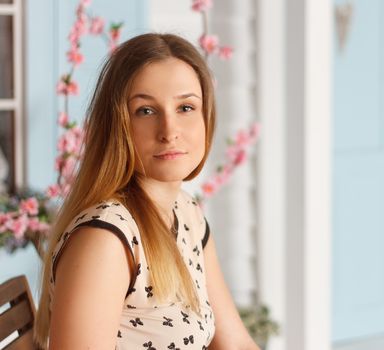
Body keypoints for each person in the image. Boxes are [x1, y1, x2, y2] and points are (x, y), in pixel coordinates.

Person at [34, 33, 260, 350]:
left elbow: (235, 343)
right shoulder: (106, 240)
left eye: (185, 107)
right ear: (118, 124)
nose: (169, 132)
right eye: (146, 111)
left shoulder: (185, 212)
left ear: (206, 116)